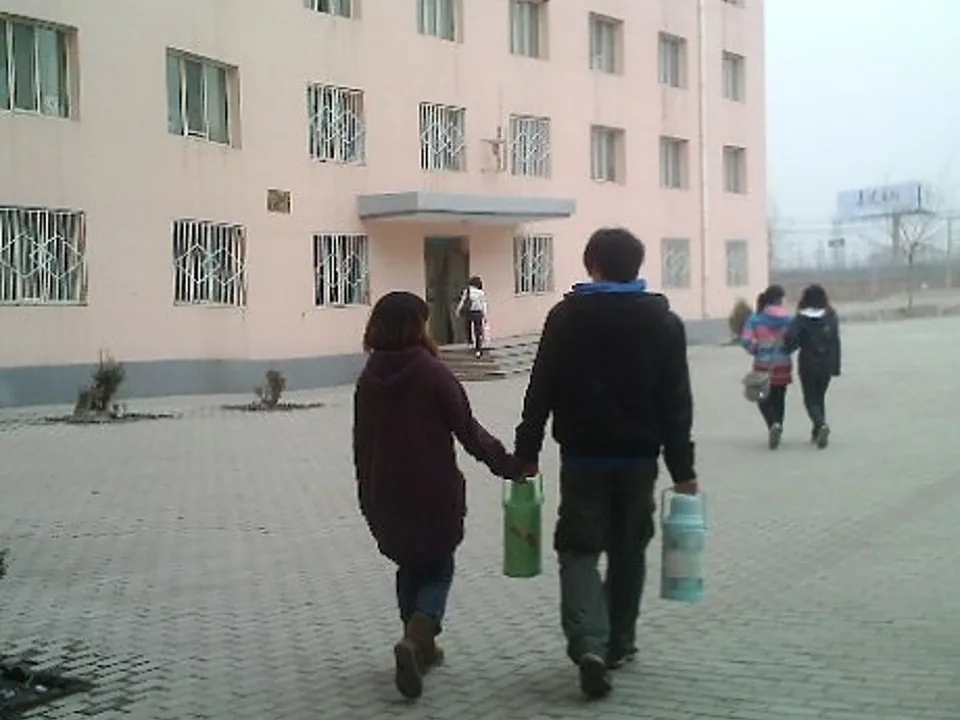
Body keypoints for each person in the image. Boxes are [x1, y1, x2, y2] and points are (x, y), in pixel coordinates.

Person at [512, 228, 698, 700]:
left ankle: (588, 645)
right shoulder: (664, 324)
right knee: (628, 549)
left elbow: (541, 389)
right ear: (636, 266)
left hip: (583, 459)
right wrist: (683, 469)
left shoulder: (565, 319)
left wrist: (526, 451)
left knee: (578, 549)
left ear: (592, 265)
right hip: (638, 460)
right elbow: (676, 402)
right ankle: (618, 644)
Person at [352, 291, 520, 700]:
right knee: (438, 567)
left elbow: (361, 443)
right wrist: (508, 465)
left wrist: (366, 490)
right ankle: (418, 635)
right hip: (432, 489)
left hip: (385, 491)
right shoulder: (432, 373)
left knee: (409, 565)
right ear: (417, 325)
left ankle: (419, 645)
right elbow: (469, 431)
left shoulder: (368, 378)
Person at [784, 283, 841, 448]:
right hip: (827, 363)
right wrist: (836, 367)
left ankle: (821, 424)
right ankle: (817, 430)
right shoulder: (831, 316)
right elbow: (835, 342)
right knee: (820, 396)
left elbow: (792, 340)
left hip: (808, 363)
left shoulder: (801, 318)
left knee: (810, 398)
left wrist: (785, 349)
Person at [740, 284, 793, 449]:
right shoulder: (789, 319)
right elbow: (794, 339)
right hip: (783, 363)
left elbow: (746, 340)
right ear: (779, 299)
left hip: (763, 364)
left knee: (761, 396)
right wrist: (787, 349)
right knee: (779, 397)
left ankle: (772, 424)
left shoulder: (756, 319)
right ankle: (778, 425)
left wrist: (757, 349)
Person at [456, 275, 488, 358]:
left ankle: (470, 342)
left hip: (469, 312)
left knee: (468, 327)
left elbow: (462, 301)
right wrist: (485, 316)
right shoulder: (481, 293)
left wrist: (458, 310)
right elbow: (484, 304)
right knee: (478, 331)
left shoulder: (467, 291)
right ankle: (478, 349)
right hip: (478, 313)